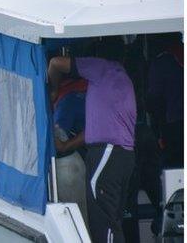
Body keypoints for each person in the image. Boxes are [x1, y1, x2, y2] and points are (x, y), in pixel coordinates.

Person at [48, 37, 136, 243]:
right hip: (124, 155)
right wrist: (67, 145)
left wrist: (52, 90)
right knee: (113, 221)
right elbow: (96, 129)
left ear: (97, 55)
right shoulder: (123, 79)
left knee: (103, 222)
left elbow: (55, 63)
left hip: (107, 154)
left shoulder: (101, 68)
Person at [147, 32, 184, 168]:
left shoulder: (161, 62)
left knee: (175, 168)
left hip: (174, 124)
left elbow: (155, 98)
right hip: (175, 120)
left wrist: (157, 130)